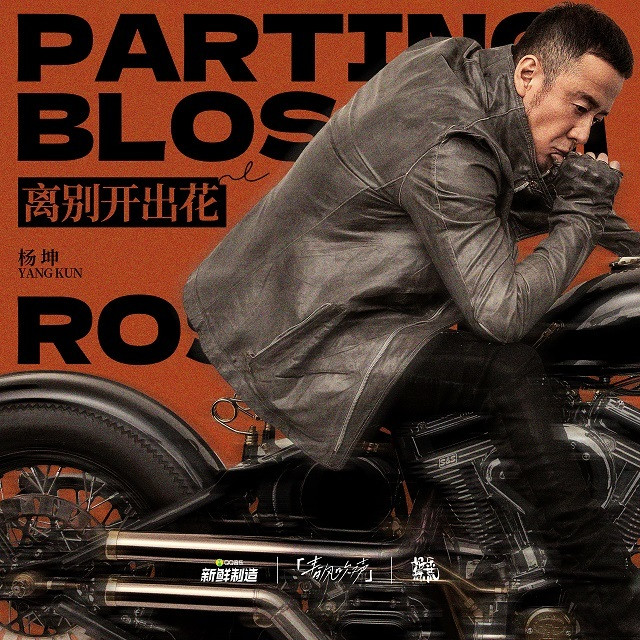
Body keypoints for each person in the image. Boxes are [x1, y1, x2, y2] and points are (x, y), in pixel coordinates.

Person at [184, 3, 640, 635]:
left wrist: (613, 231)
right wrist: (581, 221)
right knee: (509, 370)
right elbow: (501, 312)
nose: (584, 133)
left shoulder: (467, 77)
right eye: (580, 107)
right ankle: (608, 606)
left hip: (351, 309)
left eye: (597, 116)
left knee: (557, 347)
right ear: (529, 73)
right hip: (318, 332)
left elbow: (526, 192)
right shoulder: (450, 144)